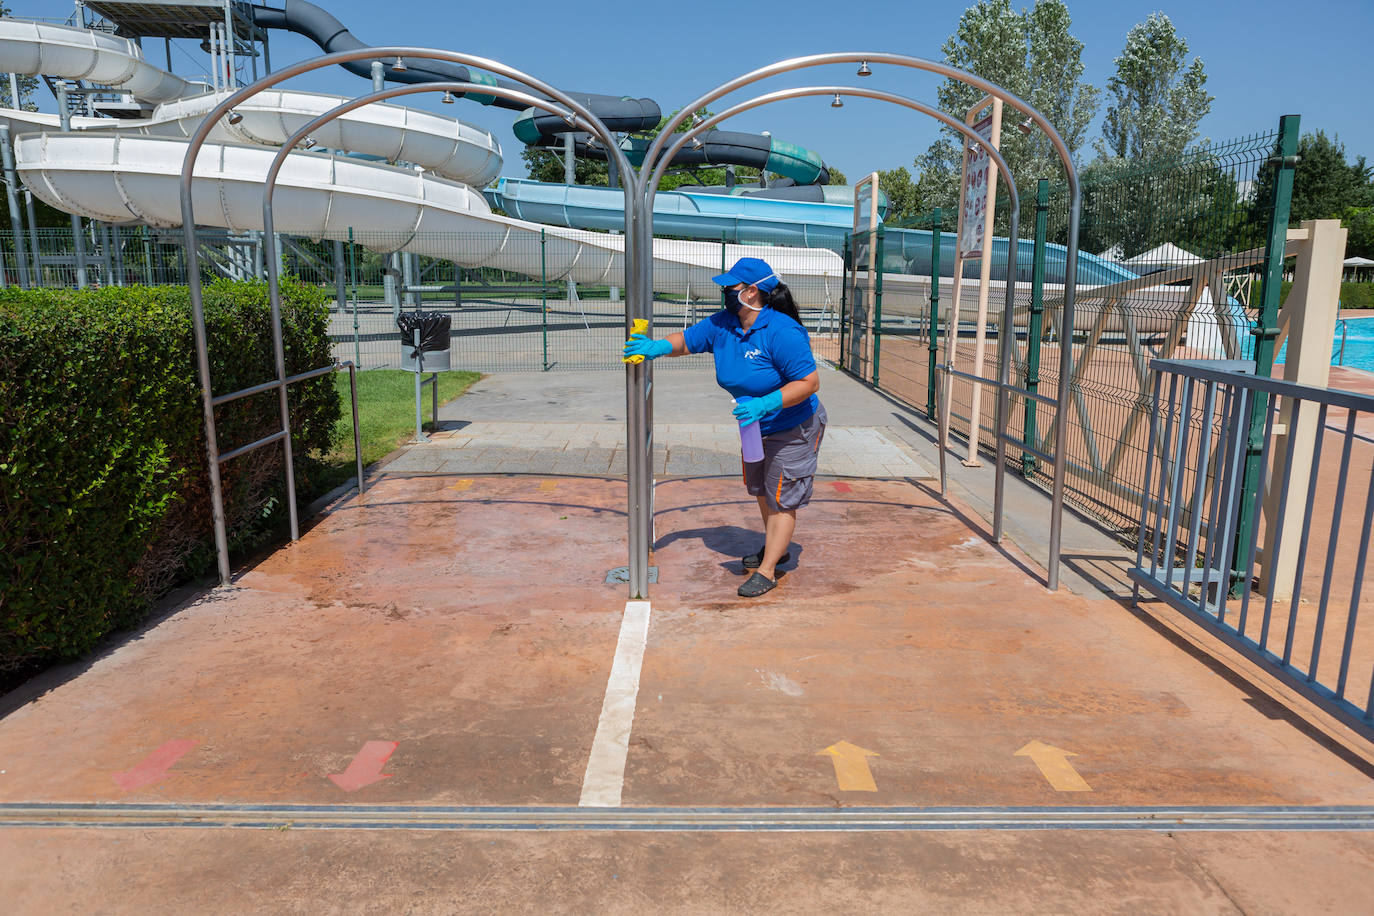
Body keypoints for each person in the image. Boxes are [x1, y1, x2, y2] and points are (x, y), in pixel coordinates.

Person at [623, 257, 826, 598]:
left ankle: (768, 569)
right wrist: (656, 347)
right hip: (754, 426)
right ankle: (777, 546)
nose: (723, 293)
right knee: (761, 490)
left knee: (782, 498)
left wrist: (765, 403)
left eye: (729, 288)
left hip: (794, 426)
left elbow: (809, 382)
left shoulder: (782, 331)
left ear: (751, 292)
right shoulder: (724, 324)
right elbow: (688, 340)